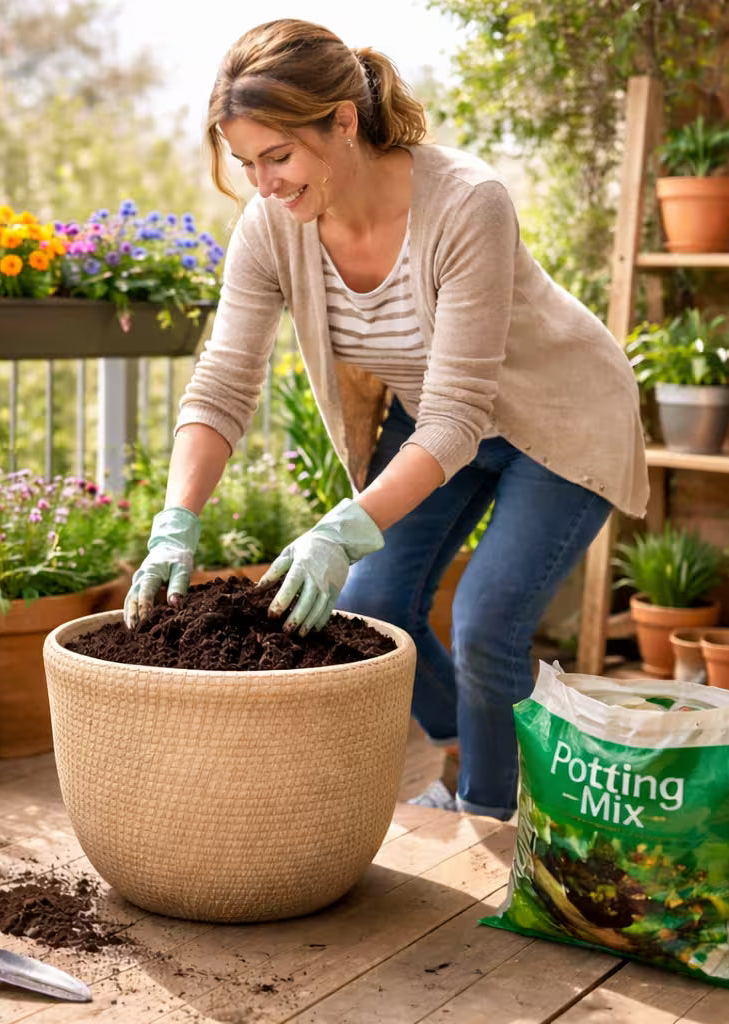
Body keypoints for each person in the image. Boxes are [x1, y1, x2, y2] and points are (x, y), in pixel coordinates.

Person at [123, 18, 649, 821]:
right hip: (438, 418)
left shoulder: (467, 203)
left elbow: (458, 413)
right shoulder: (271, 228)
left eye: (279, 157)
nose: (264, 184)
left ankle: (492, 815)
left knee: (484, 623)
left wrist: (338, 528)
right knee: (372, 606)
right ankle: (475, 745)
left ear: (343, 119)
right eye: (245, 162)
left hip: (558, 418)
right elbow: (224, 383)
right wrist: (175, 520)